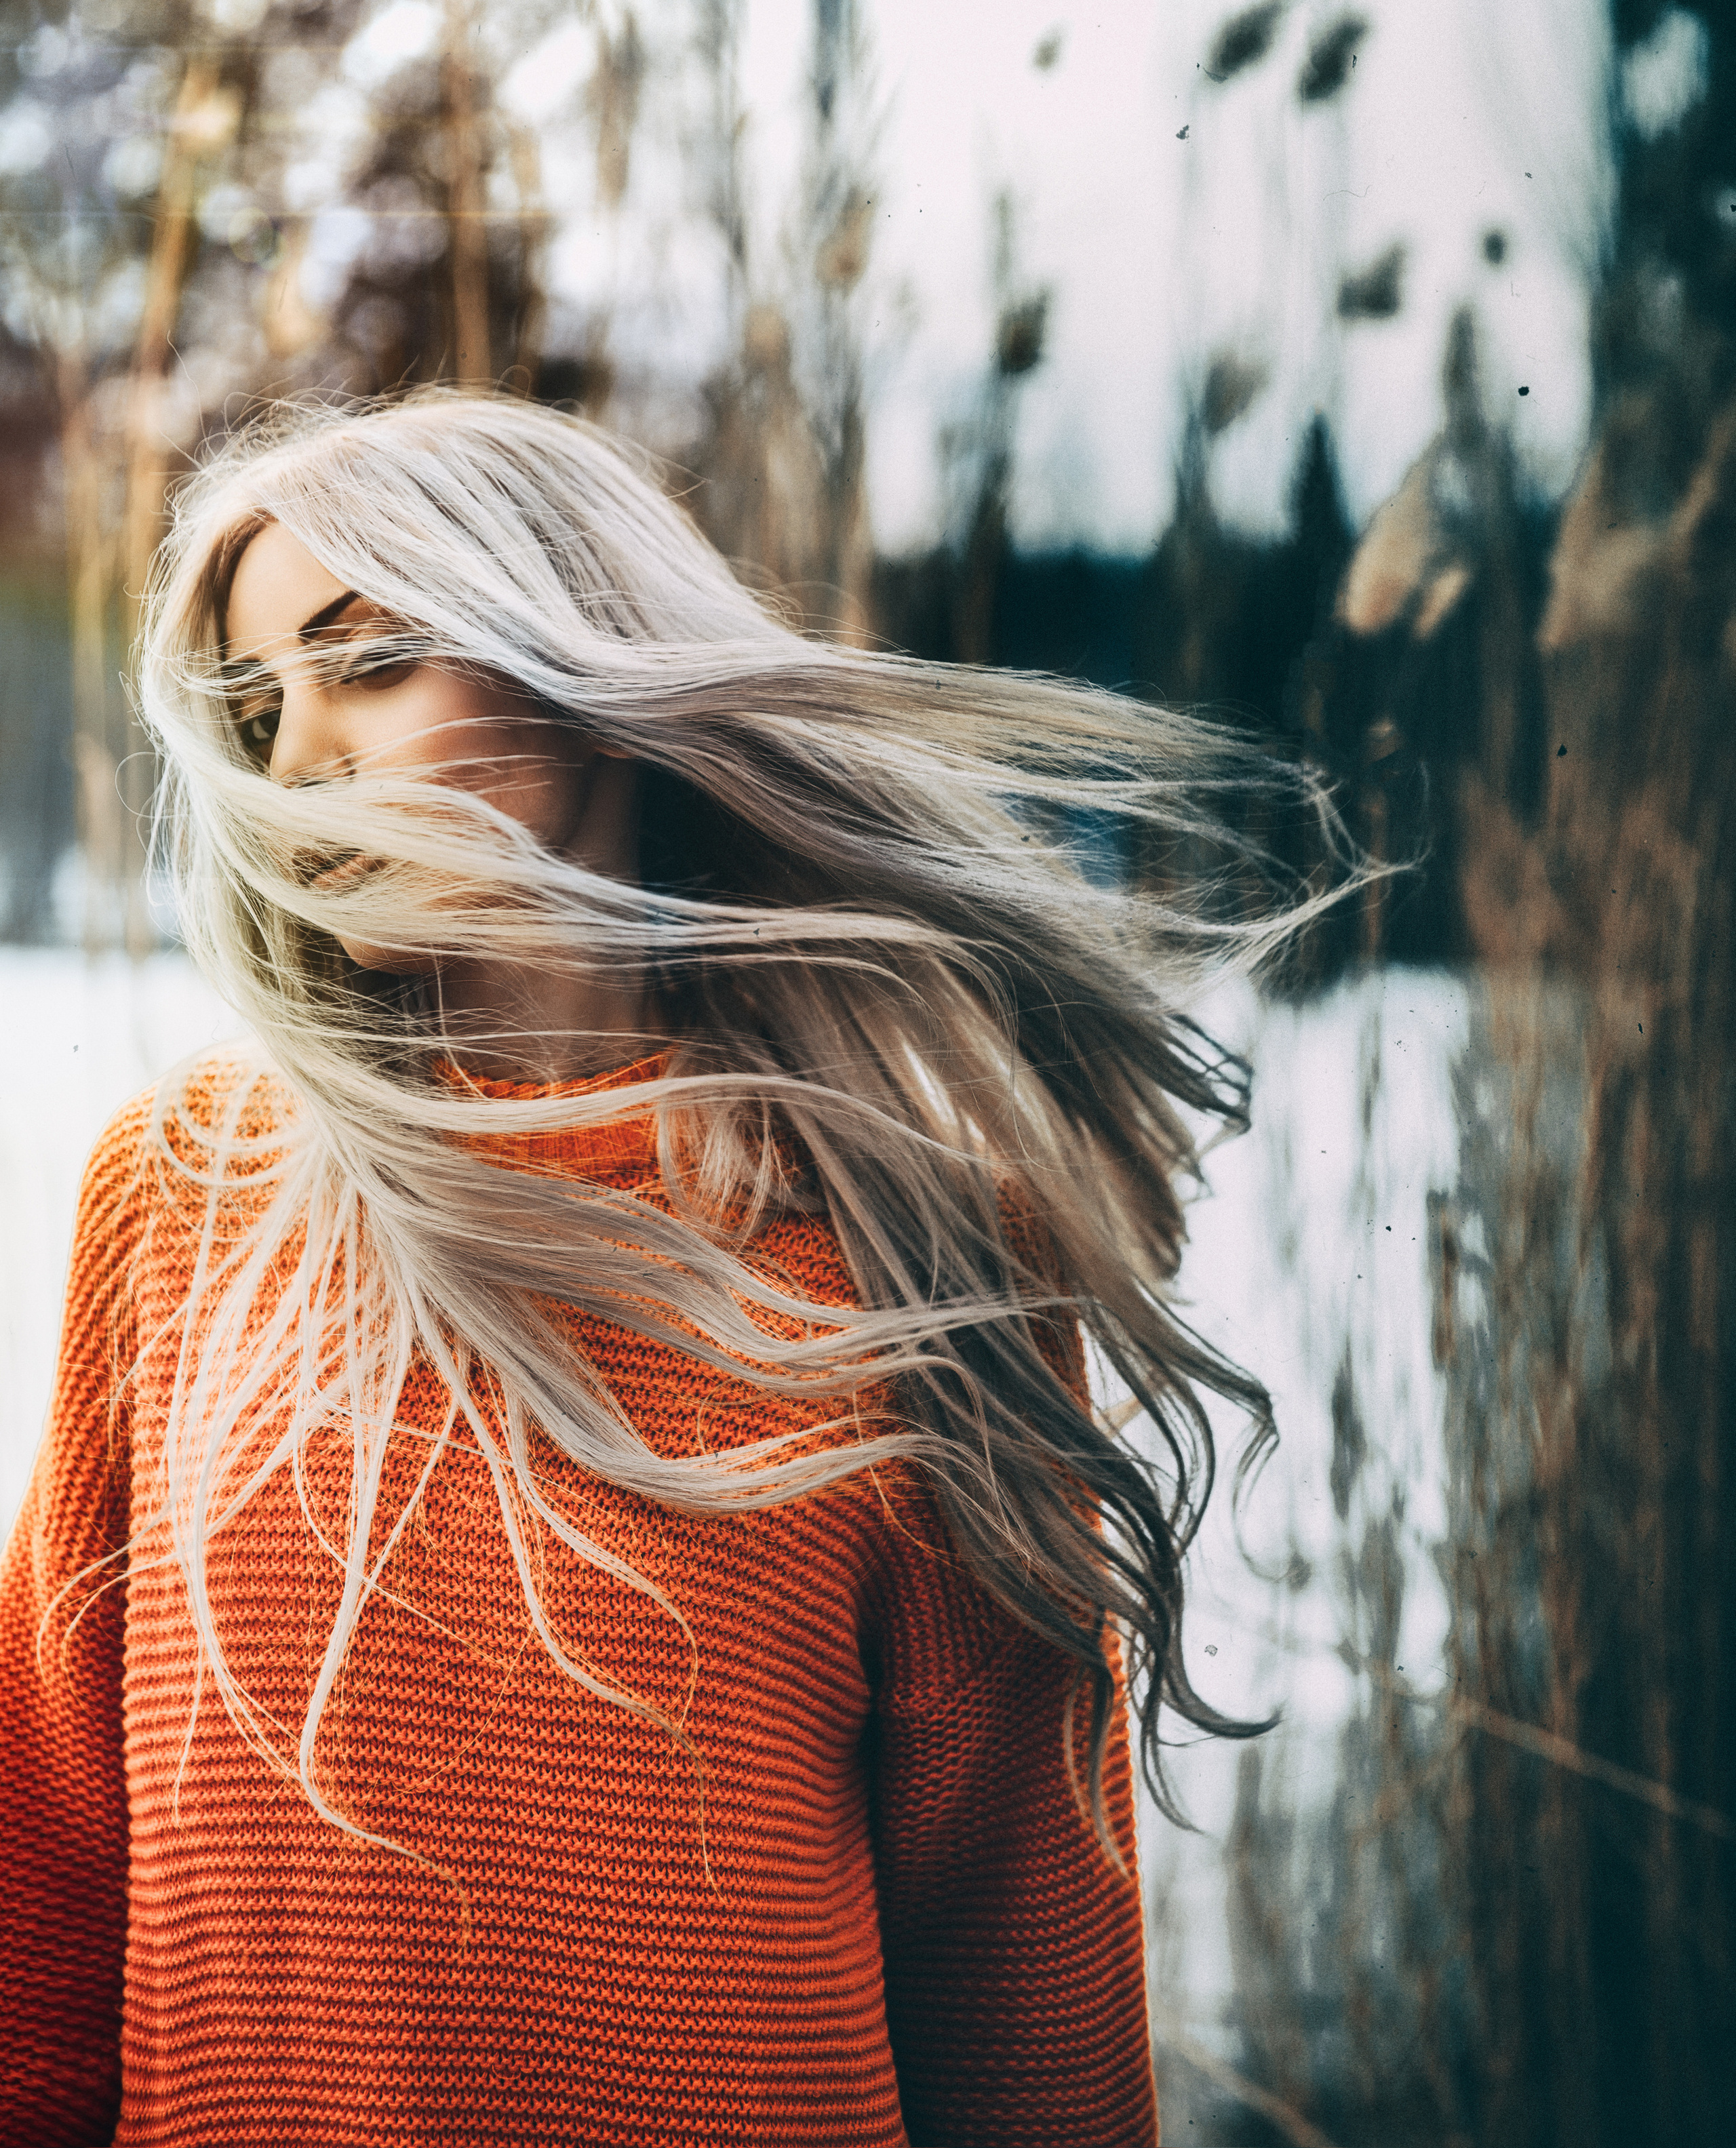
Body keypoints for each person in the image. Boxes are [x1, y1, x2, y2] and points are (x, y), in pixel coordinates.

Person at [1, 392, 1332, 2146]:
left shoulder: (907, 1246)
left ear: (588, 671)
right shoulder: (183, 1197)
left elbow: (1019, 1963)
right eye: (258, 702)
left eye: (371, 658)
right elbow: (51, 1844)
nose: (298, 753)